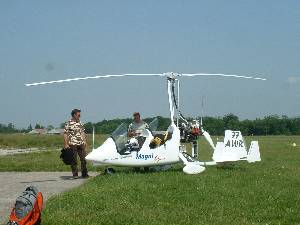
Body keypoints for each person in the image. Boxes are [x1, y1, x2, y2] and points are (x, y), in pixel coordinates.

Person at [64, 109, 89, 178]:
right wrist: (66, 144)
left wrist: (85, 141)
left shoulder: (80, 123)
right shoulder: (68, 123)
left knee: (84, 159)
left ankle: (84, 174)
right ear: (74, 115)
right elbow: (65, 134)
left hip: (81, 143)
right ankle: (75, 174)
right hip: (72, 144)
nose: (80, 116)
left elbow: (82, 132)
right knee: (74, 159)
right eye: (79, 115)